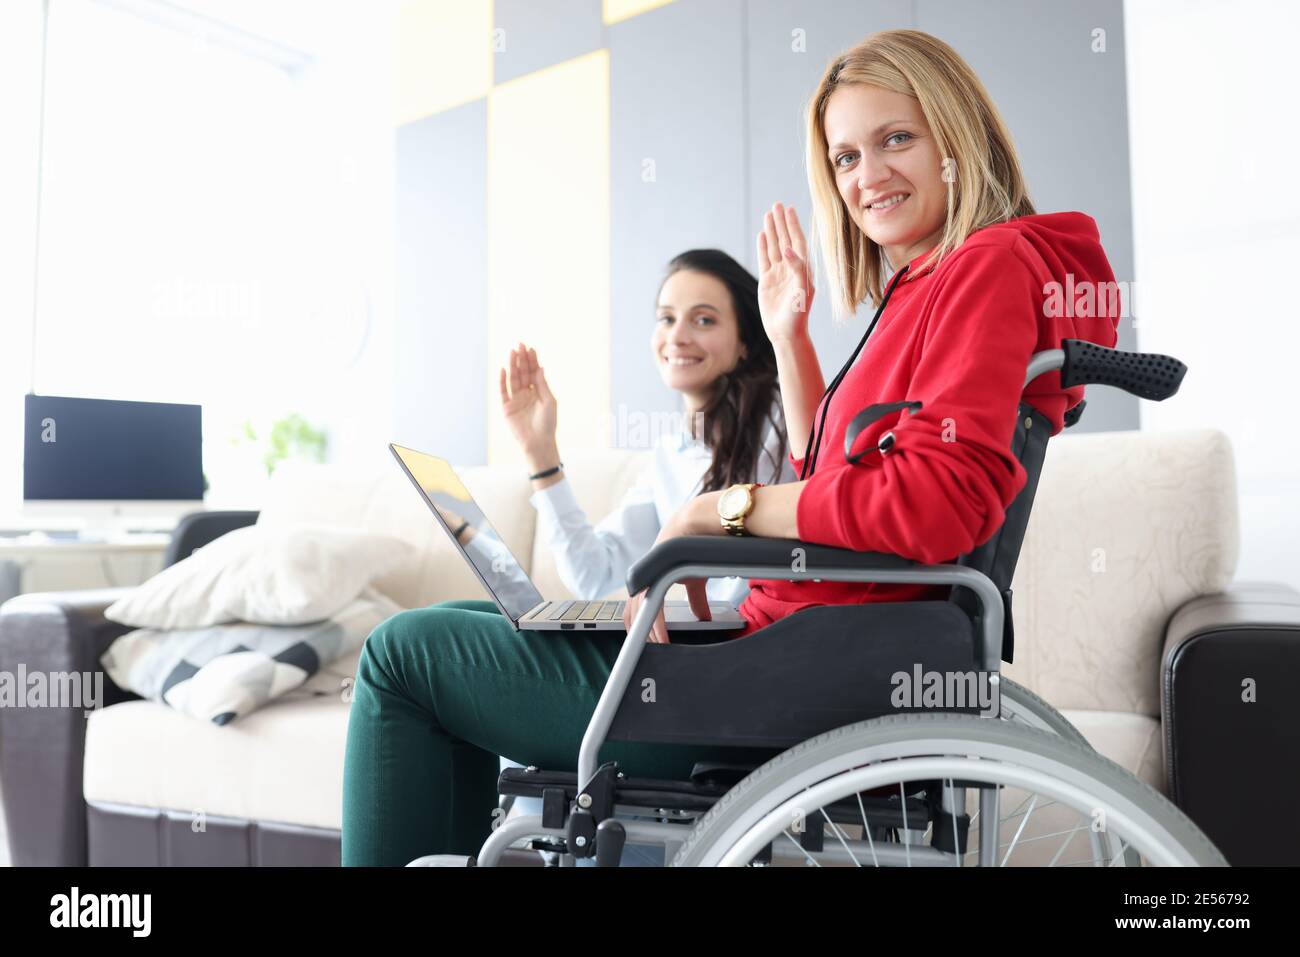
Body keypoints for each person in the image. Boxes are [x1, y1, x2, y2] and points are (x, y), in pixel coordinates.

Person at [342, 28, 1122, 866]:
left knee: (400, 654)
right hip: (798, 653)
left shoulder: (983, 267)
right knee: (458, 623)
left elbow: (930, 504)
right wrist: (789, 336)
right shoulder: (931, 281)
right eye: (845, 157)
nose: (867, 176)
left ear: (957, 140)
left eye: (897, 139)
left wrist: (720, 508)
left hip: (792, 689)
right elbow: (842, 484)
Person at [499, 248, 793, 609]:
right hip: (684, 641)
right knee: (470, 614)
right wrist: (540, 453)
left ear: (744, 344)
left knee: (430, 632)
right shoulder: (672, 452)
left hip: (738, 644)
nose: (678, 336)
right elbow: (591, 574)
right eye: (666, 319)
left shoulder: (781, 430)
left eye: (703, 320)